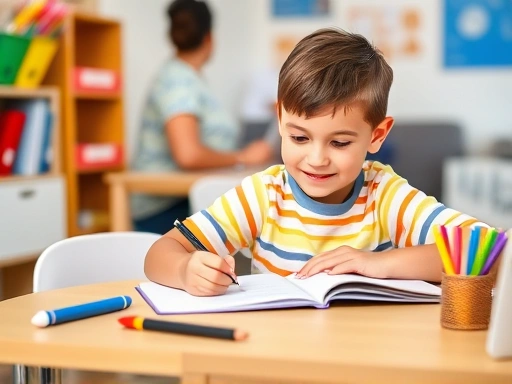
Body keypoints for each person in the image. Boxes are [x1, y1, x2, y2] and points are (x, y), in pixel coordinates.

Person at [144, 28, 487, 296]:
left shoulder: (382, 194)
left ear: (377, 136)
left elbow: (486, 248)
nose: (317, 159)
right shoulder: (263, 196)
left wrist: (378, 264)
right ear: (279, 119)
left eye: (339, 142)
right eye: (299, 138)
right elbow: (160, 253)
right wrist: (185, 271)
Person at [130, 0, 272, 234]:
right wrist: (243, 158)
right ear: (209, 38)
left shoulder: (189, 79)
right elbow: (188, 155)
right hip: (166, 207)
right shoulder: (178, 81)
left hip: (182, 199)